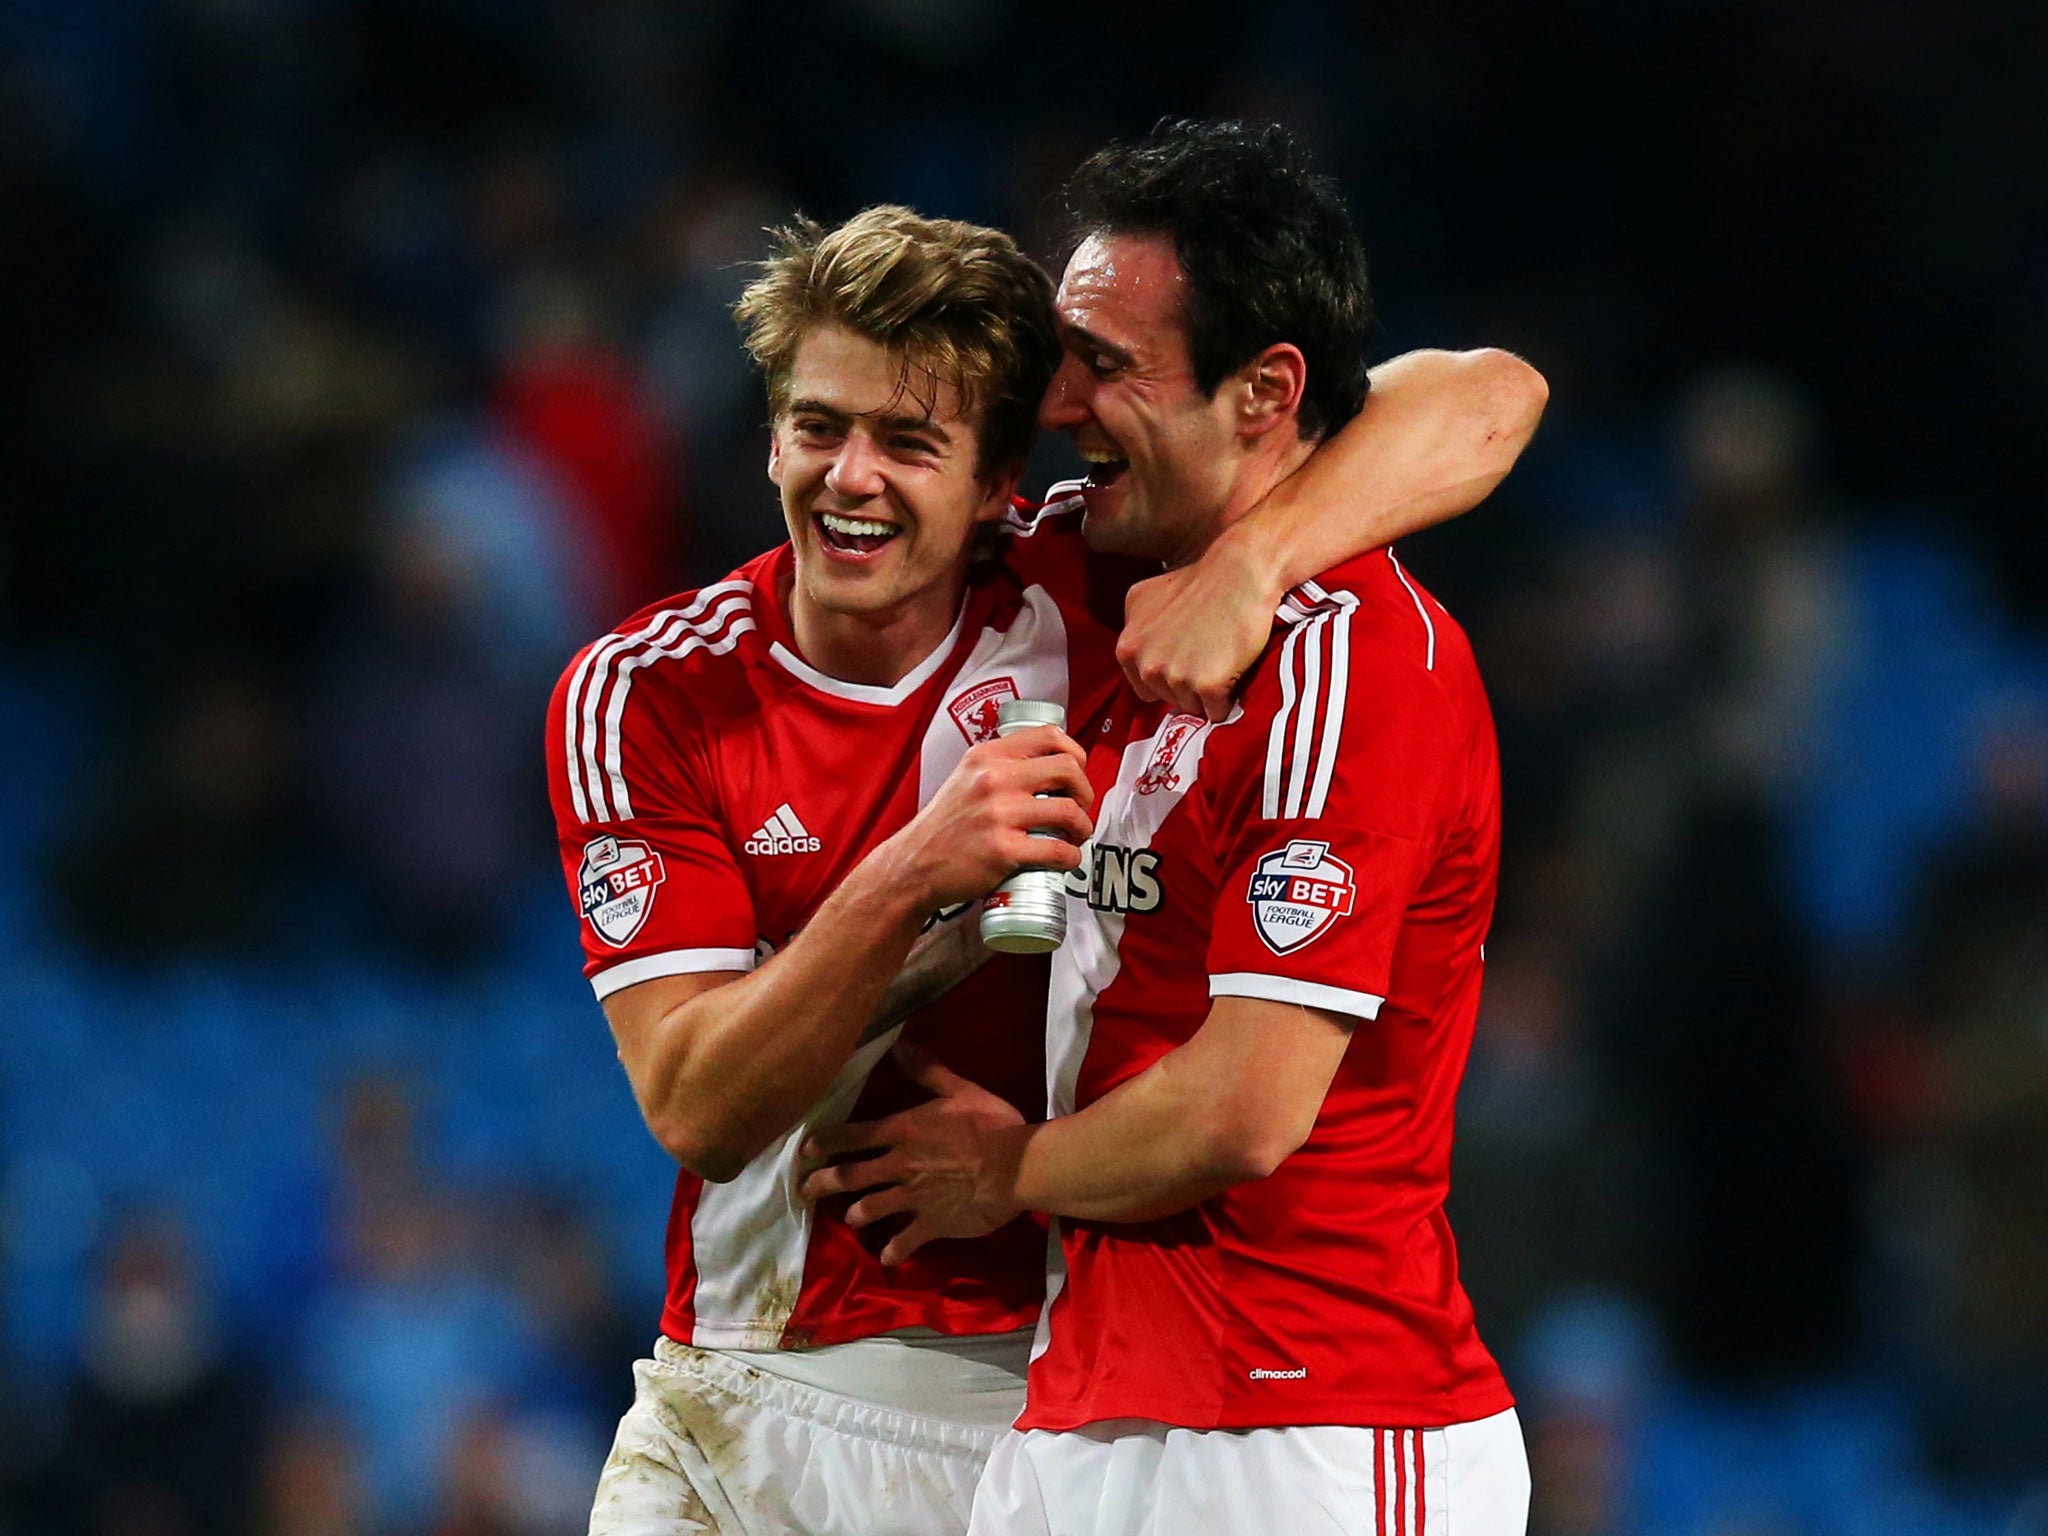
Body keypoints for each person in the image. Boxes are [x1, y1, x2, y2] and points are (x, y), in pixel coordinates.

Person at [548, 199, 1544, 1534]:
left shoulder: (1100, 589)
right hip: (726, 1379)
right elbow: (696, 1108)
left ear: (1000, 485)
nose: (851, 477)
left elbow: (1488, 393)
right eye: (820, 426)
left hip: (1007, 1396)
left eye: (909, 442)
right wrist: (917, 878)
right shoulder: (645, 694)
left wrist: (1255, 560)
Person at [805, 121, 1532, 1535]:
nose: (1059, 400)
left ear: (1266, 391)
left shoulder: (1352, 666)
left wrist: (1004, 1173)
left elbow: (1246, 1109)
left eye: (1107, 364)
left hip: (1314, 1420)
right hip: (1089, 1407)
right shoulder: (1088, 569)